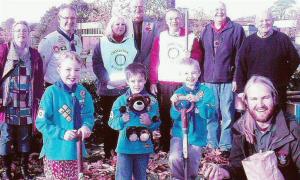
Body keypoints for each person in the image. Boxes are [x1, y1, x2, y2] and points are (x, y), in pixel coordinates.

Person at [202, 75, 300, 180]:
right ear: (246, 102)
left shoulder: (291, 130)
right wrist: (224, 172)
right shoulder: (240, 128)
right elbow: (237, 167)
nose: (260, 104)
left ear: (274, 98)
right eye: (254, 99)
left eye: (265, 98)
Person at [35, 51, 94, 179]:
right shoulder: (51, 93)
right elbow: (41, 123)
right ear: (59, 69)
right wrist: (62, 133)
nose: (73, 74)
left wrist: (86, 126)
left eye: (77, 70)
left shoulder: (83, 93)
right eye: (68, 69)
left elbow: (88, 115)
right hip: (56, 151)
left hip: (75, 151)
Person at [150, 8, 202, 152]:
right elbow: (155, 59)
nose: (174, 21)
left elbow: (198, 59)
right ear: (166, 21)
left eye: (177, 18)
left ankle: (186, 145)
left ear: (181, 19)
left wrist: (190, 55)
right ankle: (165, 146)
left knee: (185, 114)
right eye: (171, 19)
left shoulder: (190, 37)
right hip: (165, 82)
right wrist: (153, 81)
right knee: (166, 114)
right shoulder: (161, 37)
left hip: (183, 82)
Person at [200, 1, 245, 157]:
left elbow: (240, 56)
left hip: (227, 80)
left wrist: (236, 79)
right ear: (212, 13)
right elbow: (201, 54)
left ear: (226, 11)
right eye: (216, 9)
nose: (219, 12)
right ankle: (211, 144)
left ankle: (225, 146)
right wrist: (201, 79)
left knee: (227, 115)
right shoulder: (206, 30)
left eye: (222, 9)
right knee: (210, 114)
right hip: (208, 81)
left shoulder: (236, 29)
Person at [0, 21, 44, 180]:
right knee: (5, 137)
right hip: (7, 103)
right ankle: (6, 171)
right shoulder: (4, 50)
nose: (21, 33)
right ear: (12, 32)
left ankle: (24, 169)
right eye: (18, 30)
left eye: (24, 30)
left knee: (25, 137)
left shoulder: (34, 54)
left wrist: (38, 101)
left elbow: (39, 80)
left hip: (26, 102)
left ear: (28, 33)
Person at [92, 15, 137, 159]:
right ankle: (108, 151)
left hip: (126, 89)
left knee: (127, 119)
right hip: (108, 90)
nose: (120, 26)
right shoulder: (102, 42)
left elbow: (137, 61)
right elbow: (96, 63)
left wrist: (130, 80)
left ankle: (124, 150)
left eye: (123, 24)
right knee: (109, 120)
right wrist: (109, 81)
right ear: (111, 26)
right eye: (117, 24)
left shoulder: (131, 42)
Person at [235, 8, 300, 107]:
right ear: (256, 23)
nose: (264, 23)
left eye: (267, 20)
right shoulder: (248, 42)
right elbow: (241, 66)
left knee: (278, 120)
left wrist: (283, 76)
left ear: (272, 21)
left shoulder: (282, 39)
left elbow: (295, 60)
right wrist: (241, 90)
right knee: (255, 120)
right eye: (261, 21)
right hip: (254, 92)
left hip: (277, 90)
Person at [108, 63, 160, 180]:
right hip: (125, 147)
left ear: (145, 80)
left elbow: (158, 122)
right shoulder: (120, 101)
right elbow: (111, 122)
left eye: (140, 81)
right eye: (133, 81)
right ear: (127, 81)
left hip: (143, 146)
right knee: (123, 177)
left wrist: (150, 123)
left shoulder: (152, 101)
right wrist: (121, 120)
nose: (137, 84)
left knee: (141, 176)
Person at [169, 59, 215, 179]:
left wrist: (197, 101)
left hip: (197, 134)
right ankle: (178, 177)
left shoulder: (206, 92)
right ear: (181, 75)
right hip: (179, 132)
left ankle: (190, 177)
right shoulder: (178, 92)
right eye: (186, 73)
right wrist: (174, 104)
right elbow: (174, 116)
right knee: (174, 158)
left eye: (193, 73)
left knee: (193, 161)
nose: (190, 76)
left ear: (199, 73)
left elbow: (209, 114)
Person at [38, 5, 82, 87]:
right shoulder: (49, 40)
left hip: (74, 87)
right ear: (59, 19)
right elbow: (41, 69)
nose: (69, 21)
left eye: (72, 18)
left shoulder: (77, 39)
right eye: (66, 18)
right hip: (54, 87)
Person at [130, 0, 160, 68]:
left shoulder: (153, 24)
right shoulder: (125, 24)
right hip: (130, 65)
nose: (138, 9)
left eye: (141, 6)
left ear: (145, 8)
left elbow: (155, 45)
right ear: (130, 8)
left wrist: (146, 62)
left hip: (147, 65)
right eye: (135, 7)